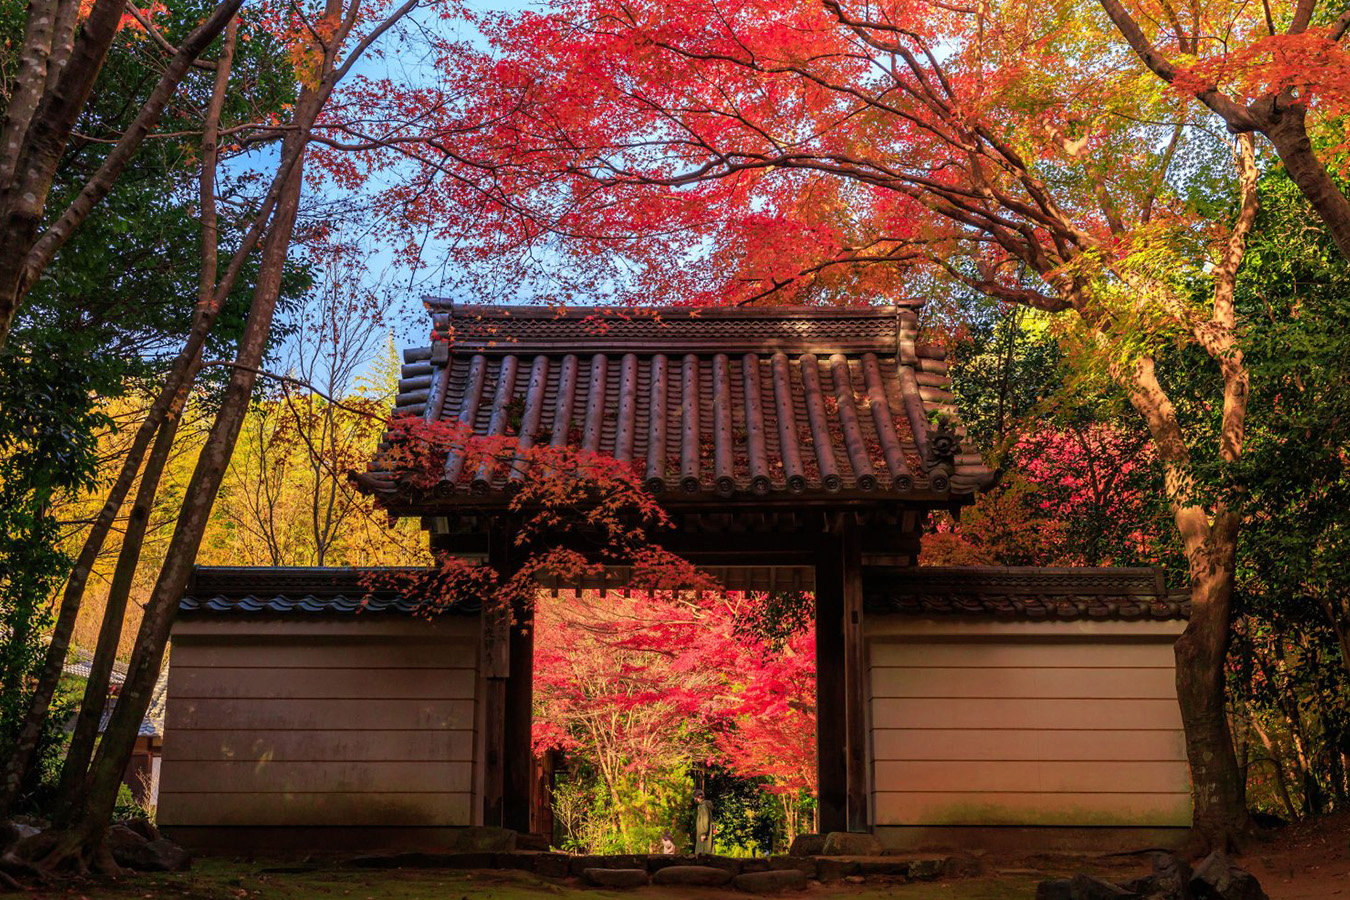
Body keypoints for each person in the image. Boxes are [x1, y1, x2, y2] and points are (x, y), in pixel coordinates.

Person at [692, 789, 714, 855]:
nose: (695, 799)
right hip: (703, 833)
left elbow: (705, 820)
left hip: (703, 835)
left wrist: (703, 833)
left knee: (703, 853)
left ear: (698, 797)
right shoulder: (704, 806)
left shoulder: (703, 806)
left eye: (695, 797)